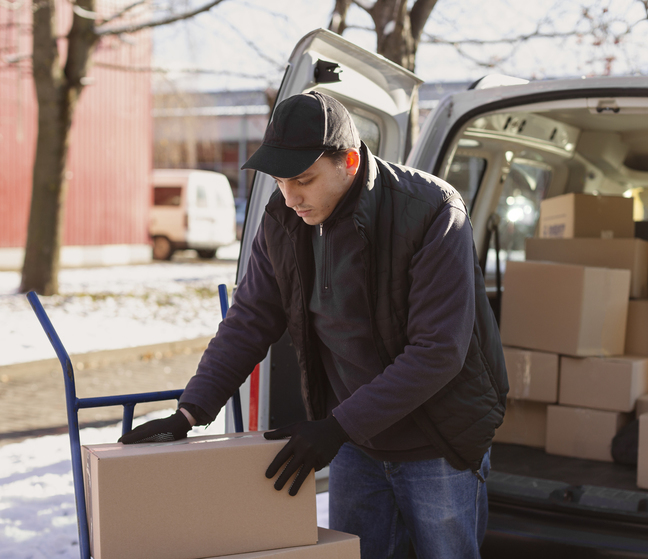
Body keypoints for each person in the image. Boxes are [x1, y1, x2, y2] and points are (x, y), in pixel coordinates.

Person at [120, 91, 509, 558]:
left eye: (303, 179)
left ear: (347, 160)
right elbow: (248, 321)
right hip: (355, 442)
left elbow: (438, 351)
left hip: (439, 438)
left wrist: (335, 428)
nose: (290, 196)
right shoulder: (283, 220)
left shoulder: (431, 211)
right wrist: (190, 412)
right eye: (281, 181)